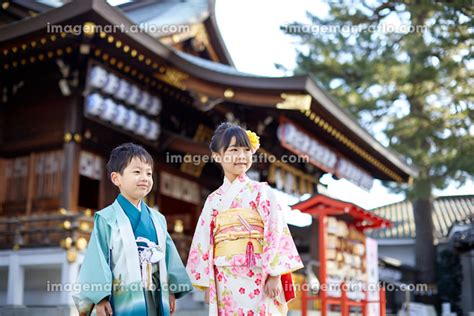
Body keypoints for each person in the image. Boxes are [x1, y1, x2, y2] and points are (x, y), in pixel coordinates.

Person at [186, 123, 304, 315]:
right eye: (233, 150)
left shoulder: (261, 191)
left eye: (246, 150)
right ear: (218, 156)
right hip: (223, 274)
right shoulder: (213, 200)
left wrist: (275, 274)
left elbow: (276, 230)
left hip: (258, 272)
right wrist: (207, 283)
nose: (241, 156)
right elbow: (203, 240)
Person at [73, 143, 192, 316]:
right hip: (122, 296)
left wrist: (171, 289)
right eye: (137, 172)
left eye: (149, 173)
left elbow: (168, 257)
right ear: (116, 178)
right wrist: (100, 298)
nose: (145, 177)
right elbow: (97, 260)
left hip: (156, 293)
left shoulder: (158, 219)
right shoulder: (106, 218)